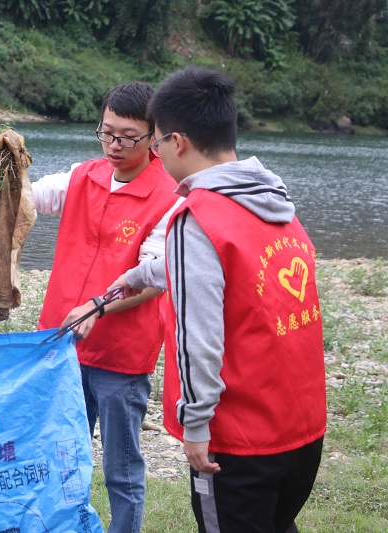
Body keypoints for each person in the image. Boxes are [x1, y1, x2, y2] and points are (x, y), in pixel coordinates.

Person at [108, 66, 327, 532]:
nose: (155, 153)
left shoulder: (197, 217)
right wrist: (140, 272)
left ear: (178, 142)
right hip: (301, 428)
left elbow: (198, 337)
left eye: (156, 142)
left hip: (239, 441)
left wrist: (196, 424)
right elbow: (233, 269)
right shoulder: (272, 200)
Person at [32, 82, 182, 533]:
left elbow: (154, 279)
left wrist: (96, 307)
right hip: (63, 344)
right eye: (107, 132)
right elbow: (27, 198)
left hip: (120, 356)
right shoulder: (85, 175)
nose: (115, 146)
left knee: (121, 468)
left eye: (129, 137)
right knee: (59, 454)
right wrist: (0, 179)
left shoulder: (169, 195)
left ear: (154, 137)